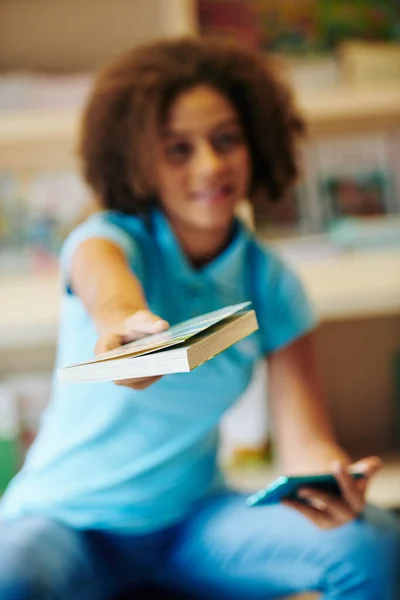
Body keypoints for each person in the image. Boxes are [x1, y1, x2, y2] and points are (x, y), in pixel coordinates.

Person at [0, 38, 399, 600]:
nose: (210, 165)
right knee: (9, 572)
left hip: (192, 526)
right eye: (178, 149)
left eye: (226, 139)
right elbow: (107, 286)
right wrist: (124, 329)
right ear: (140, 161)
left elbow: (305, 441)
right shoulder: (109, 240)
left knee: (373, 544)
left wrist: (333, 481)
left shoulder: (271, 282)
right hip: (66, 525)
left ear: (256, 142)